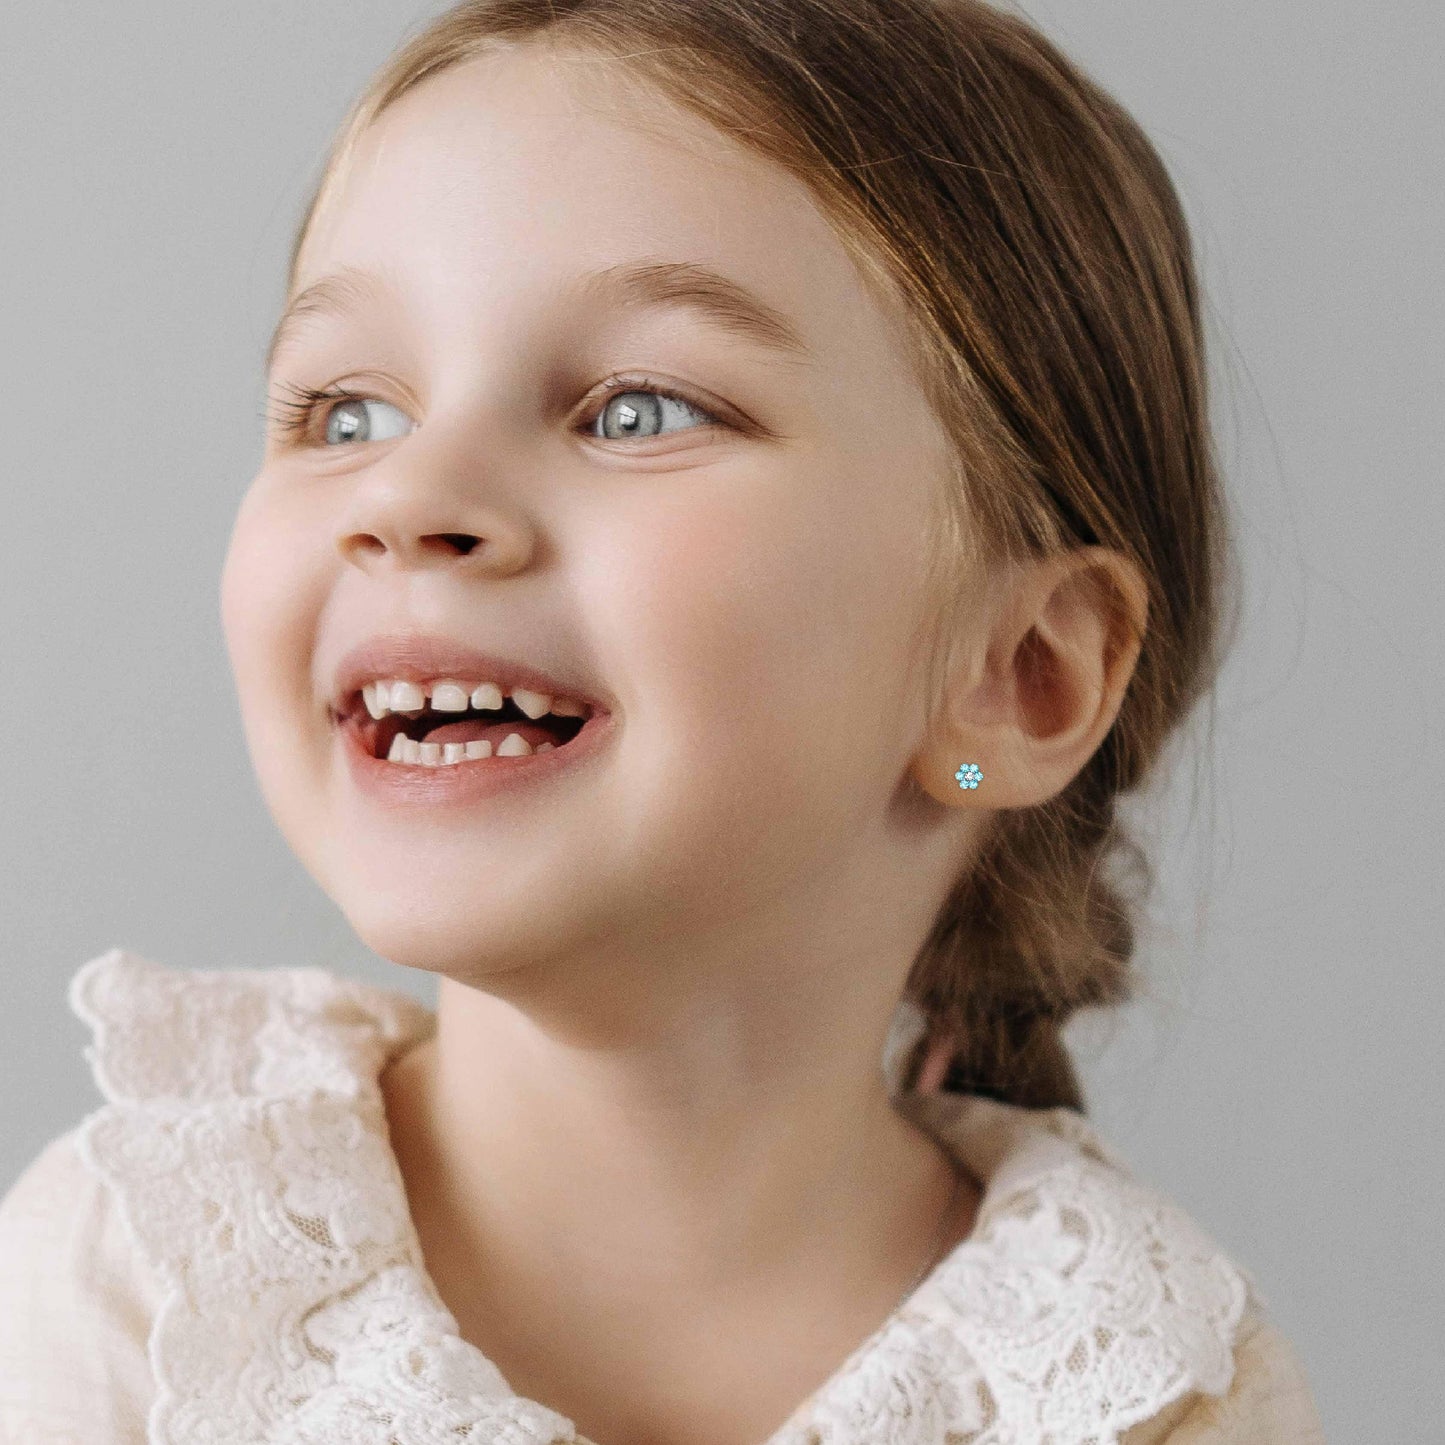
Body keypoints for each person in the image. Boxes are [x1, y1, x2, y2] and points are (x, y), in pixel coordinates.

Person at [0, 2, 1327, 1441]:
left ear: (1020, 676)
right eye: (346, 414)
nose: (406, 497)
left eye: (636, 410)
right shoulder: (141, 1289)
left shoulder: (1160, 1392)